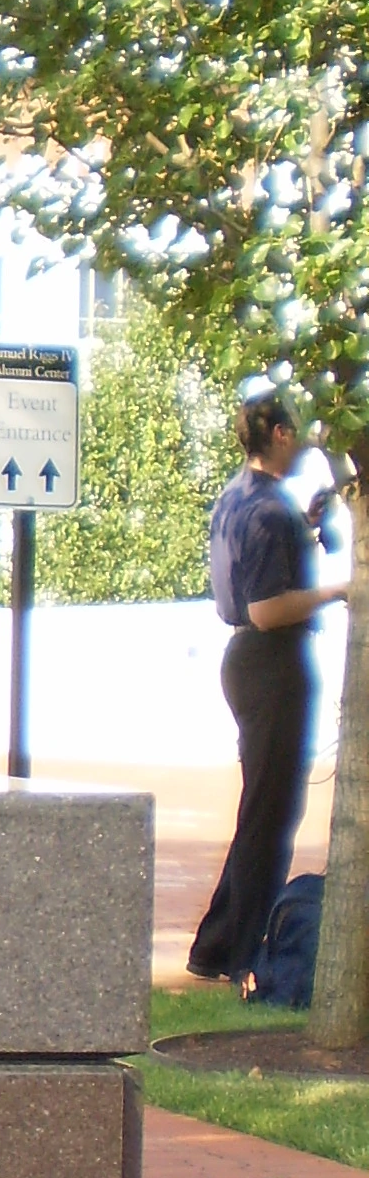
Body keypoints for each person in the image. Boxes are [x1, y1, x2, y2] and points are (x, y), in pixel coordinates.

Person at [189, 396, 348, 987]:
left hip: (249, 664)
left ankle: (222, 944)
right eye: (295, 431)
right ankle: (235, 952)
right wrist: (340, 590)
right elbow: (267, 609)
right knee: (271, 816)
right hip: (271, 662)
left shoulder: (239, 497)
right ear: (278, 434)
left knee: (264, 809)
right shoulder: (267, 511)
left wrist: (303, 530)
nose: (302, 440)